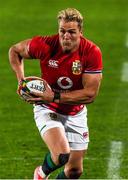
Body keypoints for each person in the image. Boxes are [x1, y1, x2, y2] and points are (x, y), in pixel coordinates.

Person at [9, 8, 103, 179]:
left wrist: (54, 96)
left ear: (80, 32)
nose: (66, 36)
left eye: (72, 32)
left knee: (74, 171)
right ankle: (41, 174)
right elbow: (15, 51)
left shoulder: (91, 52)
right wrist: (21, 80)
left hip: (76, 113)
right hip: (47, 108)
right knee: (61, 155)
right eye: (62, 31)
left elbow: (90, 94)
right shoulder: (45, 45)